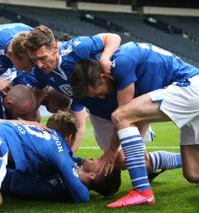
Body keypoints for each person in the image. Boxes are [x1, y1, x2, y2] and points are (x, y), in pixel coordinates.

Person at [70, 42, 199, 208]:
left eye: (100, 93)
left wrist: (111, 150)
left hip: (190, 87)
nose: (102, 98)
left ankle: (142, 191)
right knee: (193, 173)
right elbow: (139, 120)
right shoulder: (125, 67)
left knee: (120, 114)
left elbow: (125, 115)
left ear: (104, 77)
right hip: (190, 93)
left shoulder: (123, 63)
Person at [24, 25, 121, 152]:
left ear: (54, 47)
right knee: (120, 160)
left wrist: (105, 58)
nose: (39, 65)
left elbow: (113, 37)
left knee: (132, 154)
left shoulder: (77, 49)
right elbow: (38, 94)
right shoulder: (40, 73)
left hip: (122, 101)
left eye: (42, 58)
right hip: (99, 114)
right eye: (34, 60)